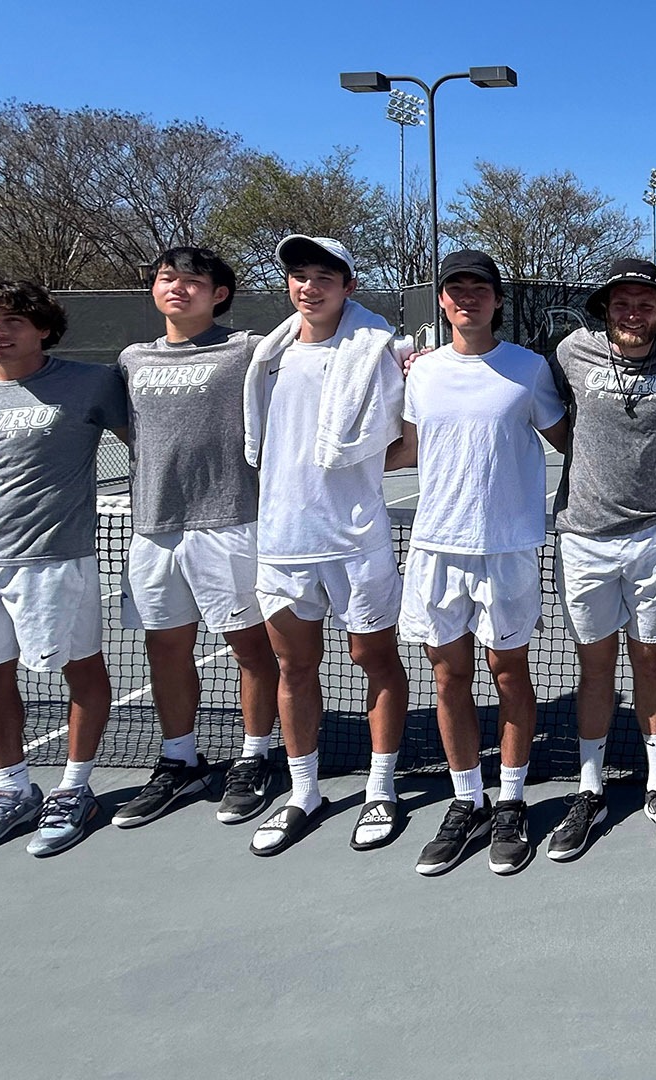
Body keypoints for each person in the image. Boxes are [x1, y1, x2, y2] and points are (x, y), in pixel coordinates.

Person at [387, 250, 566, 875]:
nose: (467, 297)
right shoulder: (420, 373)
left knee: (509, 674)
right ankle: (468, 800)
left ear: (497, 299)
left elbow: (572, 439)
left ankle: (511, 802)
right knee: (448, 678)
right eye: (456, 288)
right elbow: (404, 449)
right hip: (436, 547)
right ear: (442, 300)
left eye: (479, 288)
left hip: (508, 548)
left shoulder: (529, 369)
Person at [0, 280, 129, 858]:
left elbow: (148, 442)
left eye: (12, 321)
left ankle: (74, 790)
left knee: (81, 670)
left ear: (43, 329)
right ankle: (12, 789)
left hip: (56, 561)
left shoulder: (92, 383)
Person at [241, 235, 410, 856]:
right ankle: (303, 792)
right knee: (293, 667)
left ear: (348, 287)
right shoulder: (268, 356)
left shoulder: (379, 351)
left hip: (356, 541)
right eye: (300, 276)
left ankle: (381, 789)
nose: (309, 287)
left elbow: (404, 443)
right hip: (282, 542)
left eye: (324, 278)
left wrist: (352, 471)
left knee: (375, 659)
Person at [107, 247, 282, 829]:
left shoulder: (248, 349)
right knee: (165, 650)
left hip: (230, 522)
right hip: (154, 530)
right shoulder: (132, 359)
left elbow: (320, 345)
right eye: (167, 278)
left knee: (250, 649)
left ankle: (254, 757)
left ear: (219, 294)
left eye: (192, 281)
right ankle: (180, 759)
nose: (177, 288)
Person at [545, 257, 656, 859]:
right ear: (605, 309)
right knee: (595, 668)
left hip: (654, 535)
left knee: (650, 661)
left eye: (645, 304)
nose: (632, 313)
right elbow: (550, 417)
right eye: (621, 303)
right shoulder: (571, 352)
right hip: (583, 537)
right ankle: (589, 790)